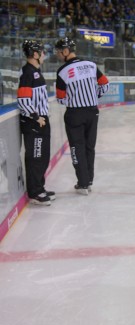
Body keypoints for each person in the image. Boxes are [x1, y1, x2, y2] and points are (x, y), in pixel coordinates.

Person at [54, 37, 109, 195]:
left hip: (74, 114)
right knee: (89, 147)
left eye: (59, 52)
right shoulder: (91, 65)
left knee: (76, 148)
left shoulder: (63, 71)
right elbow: (105, 84)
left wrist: (74, 99)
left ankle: (83, 183)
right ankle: (89, 180)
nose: (58, 55)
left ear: (65, 51)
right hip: (92, 111)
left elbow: (60, 98)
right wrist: (93, 96)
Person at [18, 40, 54, 206]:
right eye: (41, 51)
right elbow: (23, 100)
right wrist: (36, 117)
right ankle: (35, 191)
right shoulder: (27, 73)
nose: (44, 54)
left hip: (41, 120)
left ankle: (40, 186)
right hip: (34, 122)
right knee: (35, 157)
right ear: (34, 54)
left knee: (43, 156)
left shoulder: (36, 72)